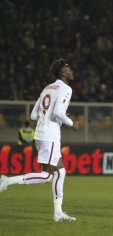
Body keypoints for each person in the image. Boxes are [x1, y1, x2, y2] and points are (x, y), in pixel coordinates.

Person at [0, 59, 79, 222]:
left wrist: (55, 118)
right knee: (46, 176)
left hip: (42, 134)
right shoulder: (65, 88)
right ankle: (7, 180)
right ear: (63, 73)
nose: (71, 71)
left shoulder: (47, 88)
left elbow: (34, 115)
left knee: (60, 172)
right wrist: (71, 123)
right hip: (49, 136)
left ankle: (58, 213)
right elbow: (58, 111)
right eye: (68, 68)